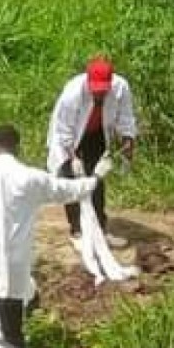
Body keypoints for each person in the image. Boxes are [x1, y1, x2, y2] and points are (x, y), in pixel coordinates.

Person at [0, 124, 106, 348]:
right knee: (12, 333)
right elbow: (67, 189)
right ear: (17, 148)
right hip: (13, 264)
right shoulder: (30, 177)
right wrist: (95, 178)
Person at [46, 56, 137, 247]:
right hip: (71, 136)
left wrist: (128, 138)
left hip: (97, 133)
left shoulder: (121, 88)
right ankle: (77, 230)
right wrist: (72, 156)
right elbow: (64, 129)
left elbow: (126, 116)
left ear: (110, 83)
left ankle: (100, 229)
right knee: (71, 179)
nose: (99, 96)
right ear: (88, 82)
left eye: (103, 92)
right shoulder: (73, 93)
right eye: (96, 92)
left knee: (97, 179)